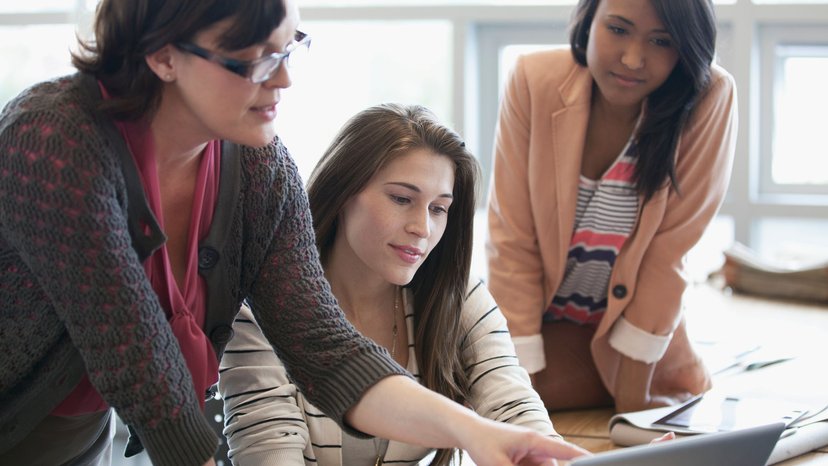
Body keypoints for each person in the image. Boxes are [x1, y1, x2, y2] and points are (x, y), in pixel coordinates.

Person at [0, 0, 588, 465]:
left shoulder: (259, 165)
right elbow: (137, 359)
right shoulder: (53, 140)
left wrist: (483, 435)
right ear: (163, 54)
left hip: (70, 430)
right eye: (254, 58)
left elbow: (327, 350)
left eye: (290, 48)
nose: (282, 79)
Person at [217, 103, 567, 466]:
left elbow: (514, 406)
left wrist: (543, 456)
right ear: (342, 193)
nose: (422, 228)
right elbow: (269, 453)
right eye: (401, 199)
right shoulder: (262, 307)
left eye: (438, 208)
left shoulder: (459, 297)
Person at [486, 0, 737, 414]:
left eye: (662, 41)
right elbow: (512, 242)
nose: (633, 58)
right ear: (589, 19)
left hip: (631, 335)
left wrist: (634, 413)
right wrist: (517, 404)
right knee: (454, 388)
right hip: (538, 326)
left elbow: (665, 258)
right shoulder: (533, 79)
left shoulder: (708, 96)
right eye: (618, 30)